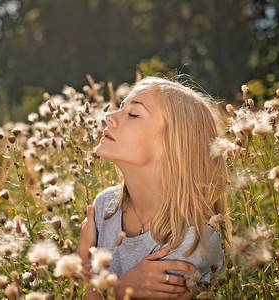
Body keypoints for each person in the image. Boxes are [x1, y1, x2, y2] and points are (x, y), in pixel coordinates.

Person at [78, 77, 230, 299]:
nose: (109, 117)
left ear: (172, 146)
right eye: (121, 108)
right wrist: (86, 264)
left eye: (133, 114)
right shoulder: (105, 206)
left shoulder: (194, 240)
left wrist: (102, 284)